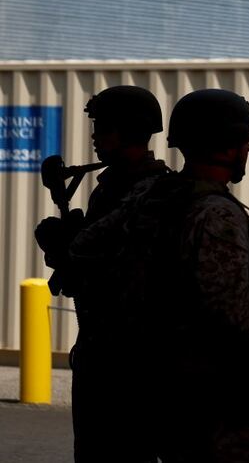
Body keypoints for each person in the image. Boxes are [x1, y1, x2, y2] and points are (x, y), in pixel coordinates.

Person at [74, 88, 249, 462]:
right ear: (227, 144)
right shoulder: (217, 213)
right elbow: (236, 310)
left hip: (164, 396)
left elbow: (83, 248)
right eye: (243, 141)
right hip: (218, 408)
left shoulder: (153, 194)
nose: (246, 150)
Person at [35, 85, 169, 463]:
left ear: (129, 131)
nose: (95, 136)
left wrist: (73, 248)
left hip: (132, 363)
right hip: (102, 350)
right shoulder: (110, 187)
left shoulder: (152, 190)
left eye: (104, 127)